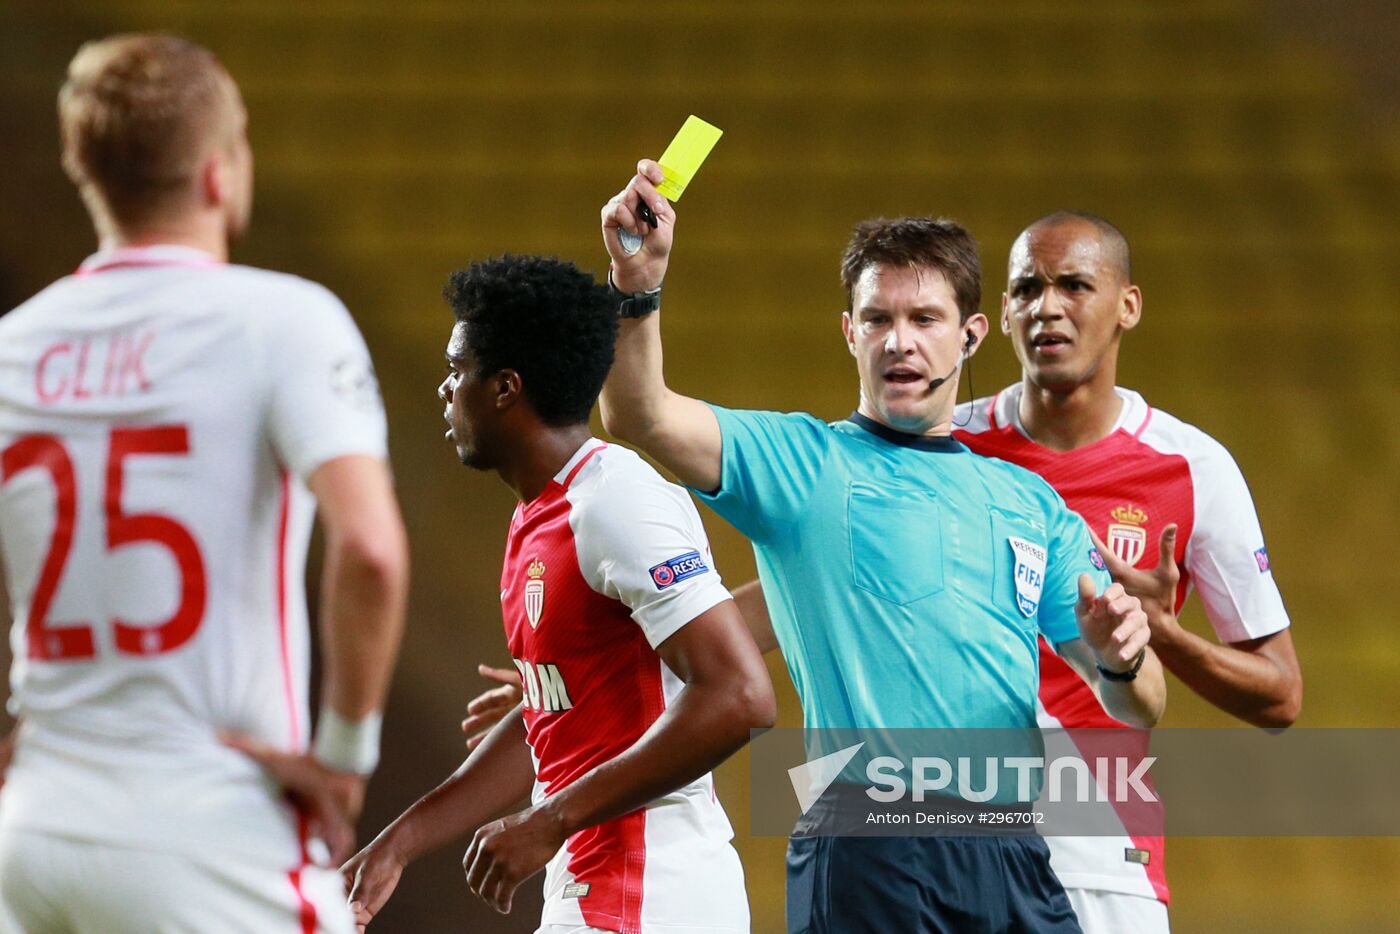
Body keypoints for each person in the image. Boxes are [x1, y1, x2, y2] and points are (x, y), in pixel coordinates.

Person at [589, 161, 1166, 933]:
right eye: (878, 319)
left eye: (924, 320)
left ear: (970, 336)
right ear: (849, 332)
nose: (900, 342)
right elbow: (639, 414)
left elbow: (1137, 703)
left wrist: (1123, 657)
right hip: (872, 842)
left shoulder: (1031, 504)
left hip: (1012, 847)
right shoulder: (799, 465)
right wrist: (637, 287)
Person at [0, 34, 409, 933]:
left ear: (83, 171)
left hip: (34, 836)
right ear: (221, 173)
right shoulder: (284, 321)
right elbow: (372, 551)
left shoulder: (12, 348)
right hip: (209, 828)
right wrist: (344, 756)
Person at [342, 254, 775, 933]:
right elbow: (552, 727)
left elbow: (739, 696)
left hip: (648, 895)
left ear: (507, 388)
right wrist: (398, 844)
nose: (444, 391)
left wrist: (549, 820)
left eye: (458, 371)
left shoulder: (613, 503)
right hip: (601, 891)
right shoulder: (541, 516)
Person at [949, 210, 1302, 932]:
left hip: (1100, 844)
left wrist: (1161, 633)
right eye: (1026, 289)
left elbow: (1280, 696)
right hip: (939, 832)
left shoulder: (1192, 467)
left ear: (1128, 306)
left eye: (1074, 285)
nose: (1047, 306)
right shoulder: (944, 447)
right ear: (1002, 315)